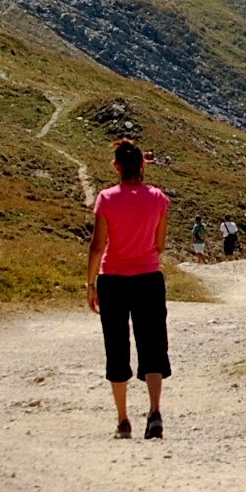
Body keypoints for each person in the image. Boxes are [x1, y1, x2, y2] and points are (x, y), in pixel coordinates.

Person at [86, 137, 171, 440]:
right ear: (142, 165)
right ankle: (154, 412)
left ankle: (123, 419)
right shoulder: (159, 198)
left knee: (117, 345)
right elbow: (160, 244)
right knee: (153, 344)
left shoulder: (106, 199)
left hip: (113, 279)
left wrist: (90, 283)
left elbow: (97, 246)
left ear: (117, 166)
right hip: (148, 277)